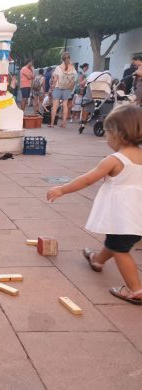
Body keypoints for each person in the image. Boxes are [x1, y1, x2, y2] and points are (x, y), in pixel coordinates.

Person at [47, 105, 142, 305]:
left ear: (118, 135)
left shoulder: (115, 160)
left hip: (123, 215)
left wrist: (62, 189)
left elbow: (87, 180)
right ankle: (97, 260)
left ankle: (135, 290)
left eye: (108, 133)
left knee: (121, 250)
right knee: (117, 241)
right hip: (137, 216)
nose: (106, 138)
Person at [49, 52, 77, 128]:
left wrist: (52, 88)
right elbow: (75, 79)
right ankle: (64, 123)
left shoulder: (58, 67)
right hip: (67, 88)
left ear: (62, 59)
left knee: (55, 106)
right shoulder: (72, 68)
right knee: (65, 105)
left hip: (58, 87)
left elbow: (55, 79)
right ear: (69, 58)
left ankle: (52, 123)